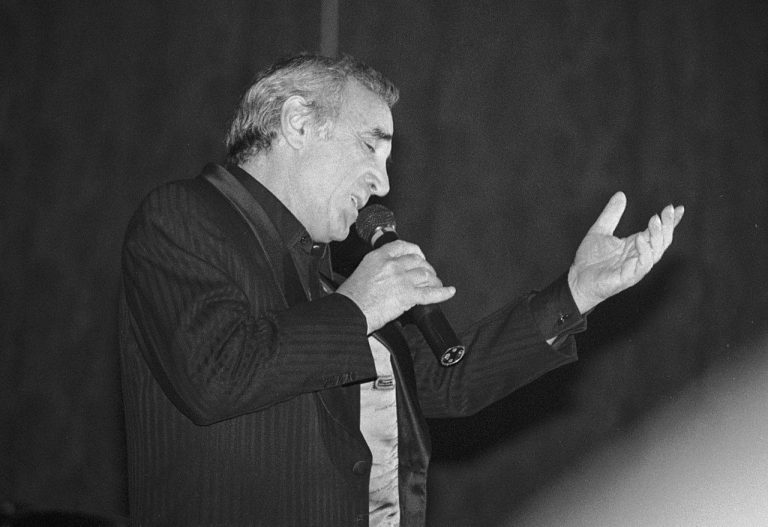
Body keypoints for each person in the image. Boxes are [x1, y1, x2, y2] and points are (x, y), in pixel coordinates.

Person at [119, 54, 684, 526]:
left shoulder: (324, 280)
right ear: (296, 123)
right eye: (371, 146)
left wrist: (577, 292)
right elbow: (216, 373)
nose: (384, 183)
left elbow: (442, 380)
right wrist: (358, 305)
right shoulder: (184, 218)